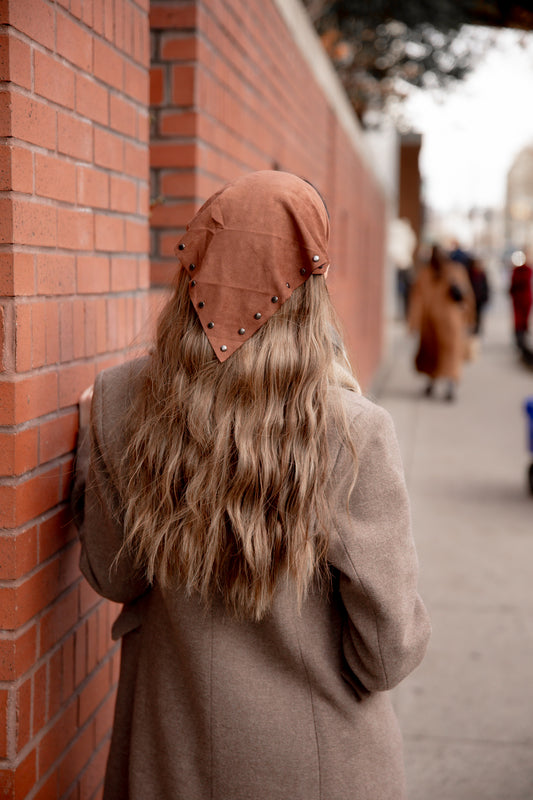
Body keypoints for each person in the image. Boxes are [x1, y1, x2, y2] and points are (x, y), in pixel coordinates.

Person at [73, 170, 430, 800]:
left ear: (191, 272)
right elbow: (386, 653)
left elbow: (114, 576)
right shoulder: (354, 432)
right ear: (313, 287)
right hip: (317, 766)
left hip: (167, 755)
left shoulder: (117, 399)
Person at [408, 244, 475, 402]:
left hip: (436, 323)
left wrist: (413, 323)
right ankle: (446, 385)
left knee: (438, 356)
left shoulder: (428, 273)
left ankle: (437, 385)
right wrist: (470, 318)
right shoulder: (453, 271)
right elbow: (467, 296)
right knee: (447, 356)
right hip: (449, 323)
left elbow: (417, 301)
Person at [509, 250, 533, 353]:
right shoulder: (517, 270)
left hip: (524, 299)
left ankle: (522, 339)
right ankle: (520, 339)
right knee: (518, 320)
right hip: (519, 299)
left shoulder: (526, 270)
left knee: (522, 320)